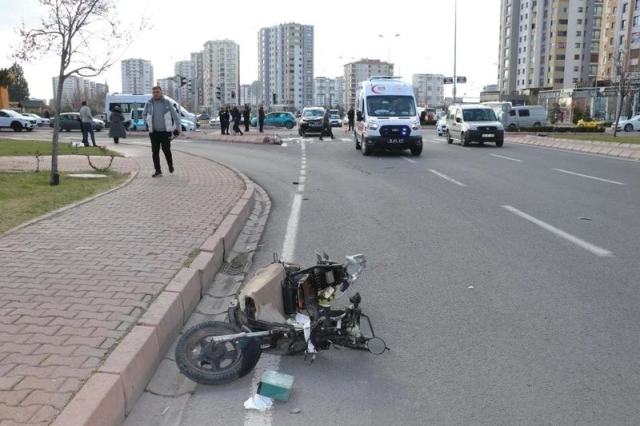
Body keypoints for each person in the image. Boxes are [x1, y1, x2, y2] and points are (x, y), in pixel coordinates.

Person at [143, 86, 181, 177]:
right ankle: (158, 170)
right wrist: (147, 121)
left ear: (161, 92)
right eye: (154, 92)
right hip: (154, 132)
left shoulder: (167, 103)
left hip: (165, 132)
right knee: (155, 151)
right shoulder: (149, 104)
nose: (155, 94)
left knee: (166, 150)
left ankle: (170, 165)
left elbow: (175, 115)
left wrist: (178, 126)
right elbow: (144, 114)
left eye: (157, 92)